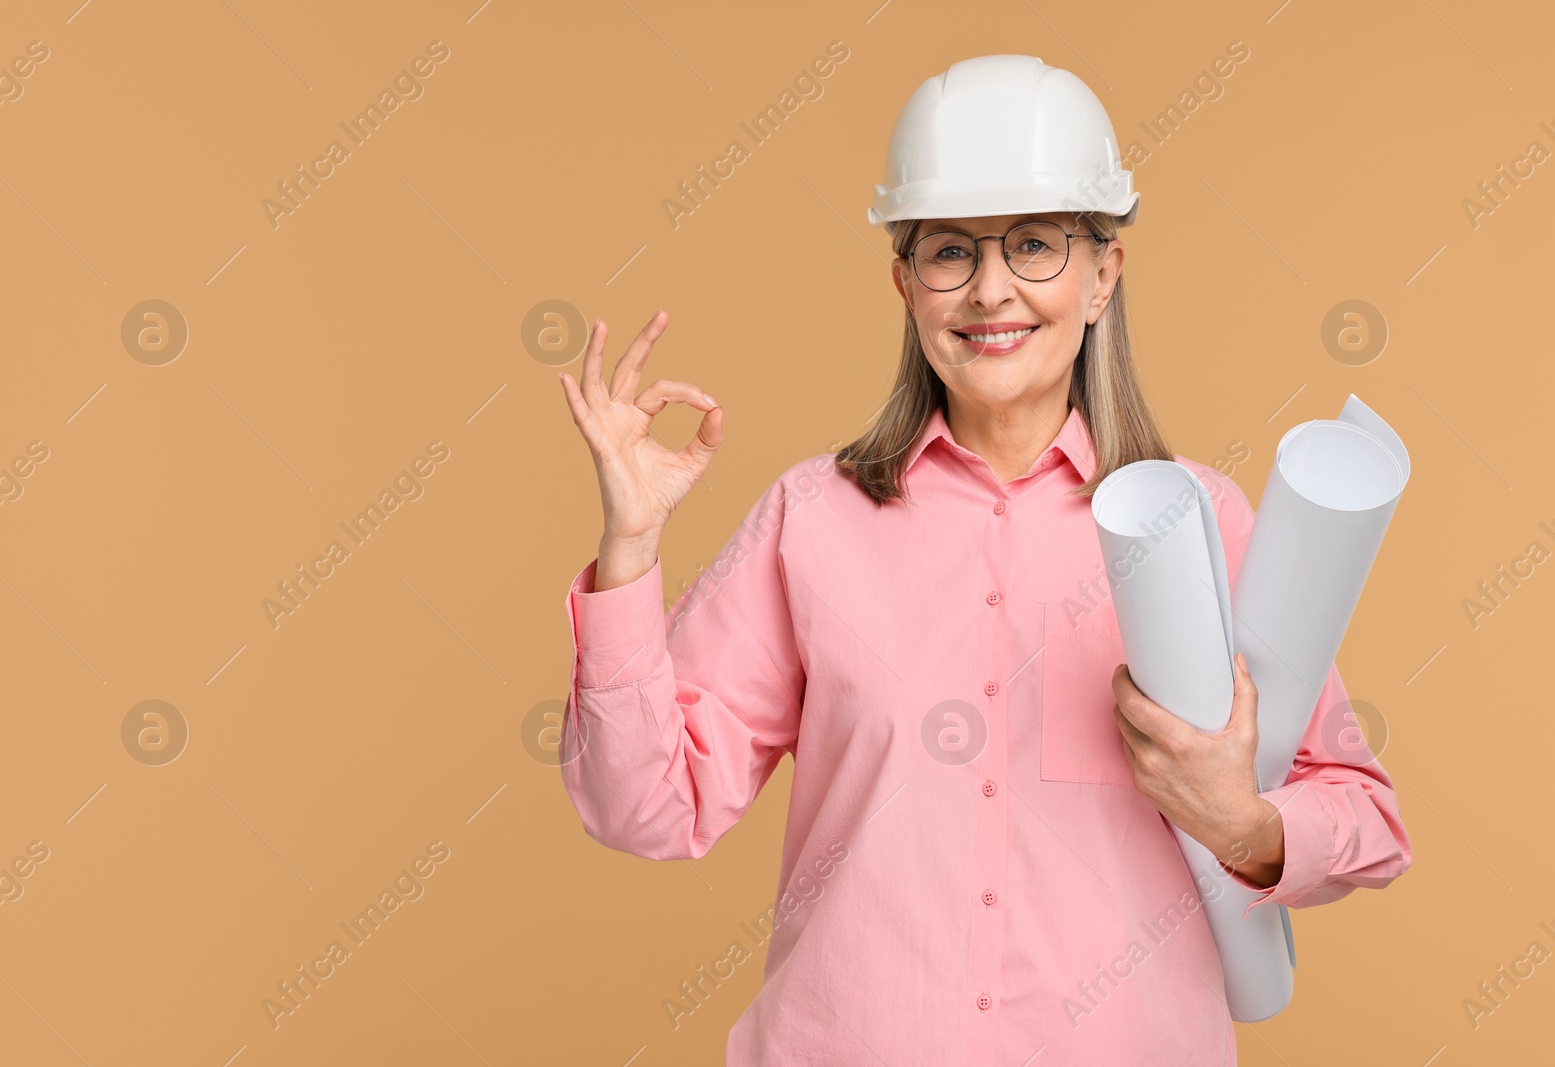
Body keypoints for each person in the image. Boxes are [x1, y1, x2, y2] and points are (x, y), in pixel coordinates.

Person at [555, 54, 1411, 1066]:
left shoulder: (1203, 522)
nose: (990, 288)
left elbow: (1367, 817)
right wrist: (631, 546)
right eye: (949, 250)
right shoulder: (810, 520)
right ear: (905, 285)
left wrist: (1243, 822)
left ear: (1103, 275)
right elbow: (643, 806)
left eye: (1036, 244)